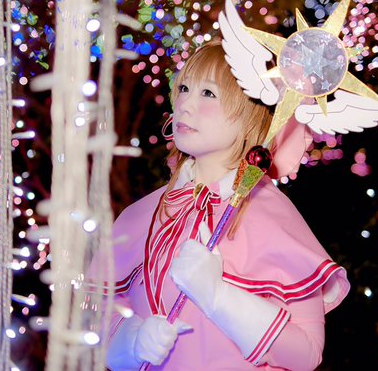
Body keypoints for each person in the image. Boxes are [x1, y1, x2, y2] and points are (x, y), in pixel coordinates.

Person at [104, 40, 350, 371]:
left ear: (250, 114)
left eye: (208, 93)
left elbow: (306, 354)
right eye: (184, 89)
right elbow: (97, 323)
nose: (185, 105)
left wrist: (217, 296)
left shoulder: (273, 216)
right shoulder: (139, 216)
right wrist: (133, 342)